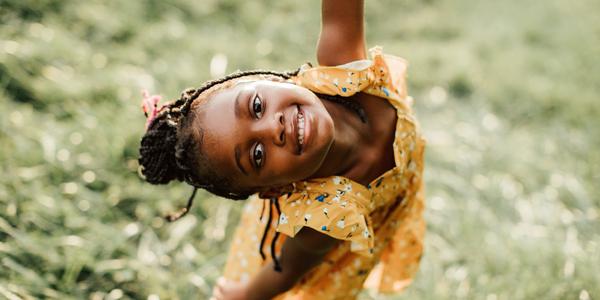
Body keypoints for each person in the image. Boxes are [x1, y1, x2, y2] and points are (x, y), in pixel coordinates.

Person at [138, 0, 426, 299]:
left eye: (257, 106)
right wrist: (244, 295)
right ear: (277, 190)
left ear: (270, 80)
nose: (272, 128)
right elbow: (286, 270)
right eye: (257, 155)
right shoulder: (327, 217)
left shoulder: (344, 69)